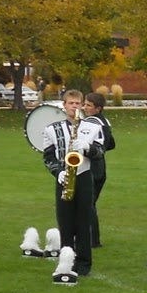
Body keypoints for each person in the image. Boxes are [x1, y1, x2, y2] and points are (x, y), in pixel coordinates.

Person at [41, 89, 103, 275]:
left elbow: (100, 152)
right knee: (65, 222)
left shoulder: (93, 127)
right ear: (64, 105)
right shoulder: (52, 130)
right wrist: (58, 172)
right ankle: (67, 261)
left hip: (83, 175)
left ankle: (84, 264)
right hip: (64, 176)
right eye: (71, 103)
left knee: (84, 221)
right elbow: (48, 157)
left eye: (77, 104)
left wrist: (87, 148)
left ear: (82, 105)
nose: (74, 107)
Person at [82, 92, 114, 248]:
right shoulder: (104, 121)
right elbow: (111, 143)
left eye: (88, 105)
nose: (84, 107)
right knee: (90, 203)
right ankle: (90, 238)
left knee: (88, 204)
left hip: (93, 168)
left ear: (98, 108)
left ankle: (93, 240)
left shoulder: (91, 123)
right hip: (100, 167)